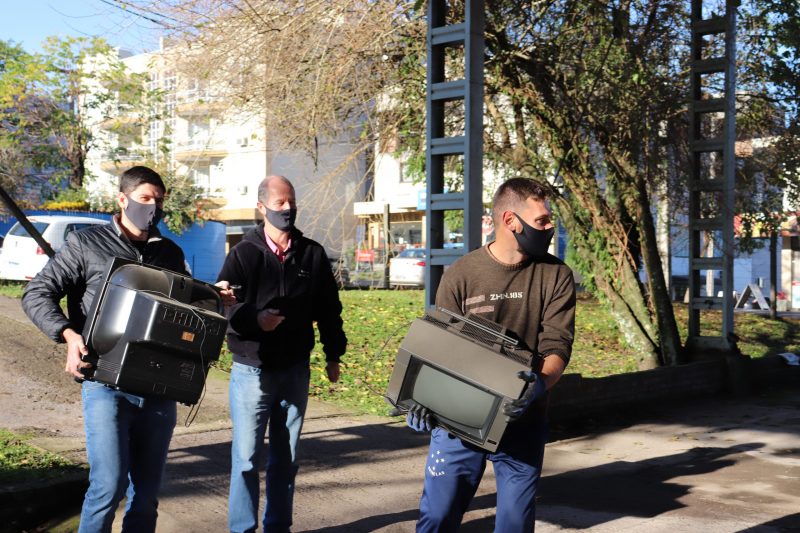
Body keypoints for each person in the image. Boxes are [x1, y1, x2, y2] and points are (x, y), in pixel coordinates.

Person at [21, 166, 196, 533]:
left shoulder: (170, 253)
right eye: (145, 198)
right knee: (108, 486)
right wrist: (68, 335)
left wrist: (210, 299)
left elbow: (185, 311)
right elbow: (37, 293)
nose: (153, 207)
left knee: (146, 495)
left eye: (159, 200)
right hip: (105, 383)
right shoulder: (86, 244)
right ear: (122, 199)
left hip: (158, 389)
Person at [407, 177, 576, 532]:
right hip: (458, 421)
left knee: (515, 525)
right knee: (437, 518)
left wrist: (539, 385)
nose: (550, 227)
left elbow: (557, 345)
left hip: (522, 420)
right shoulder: (461, 274)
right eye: (542, 220)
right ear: (511, 221)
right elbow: (439, 348)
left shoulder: (556, 275)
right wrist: (422, 400)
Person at [216, 174, 347, 533]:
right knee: (246, 459)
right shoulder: (242, 254)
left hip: (295, 370)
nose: (288, 208)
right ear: (262, 207)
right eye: (279, 203)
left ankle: (278, 526)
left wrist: (333, 354)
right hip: (252, 371)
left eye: (291, 201)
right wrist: (256, 319)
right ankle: (242, 528)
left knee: (286, 459)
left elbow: (329, 309)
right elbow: (225, 308)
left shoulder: (312, 254)